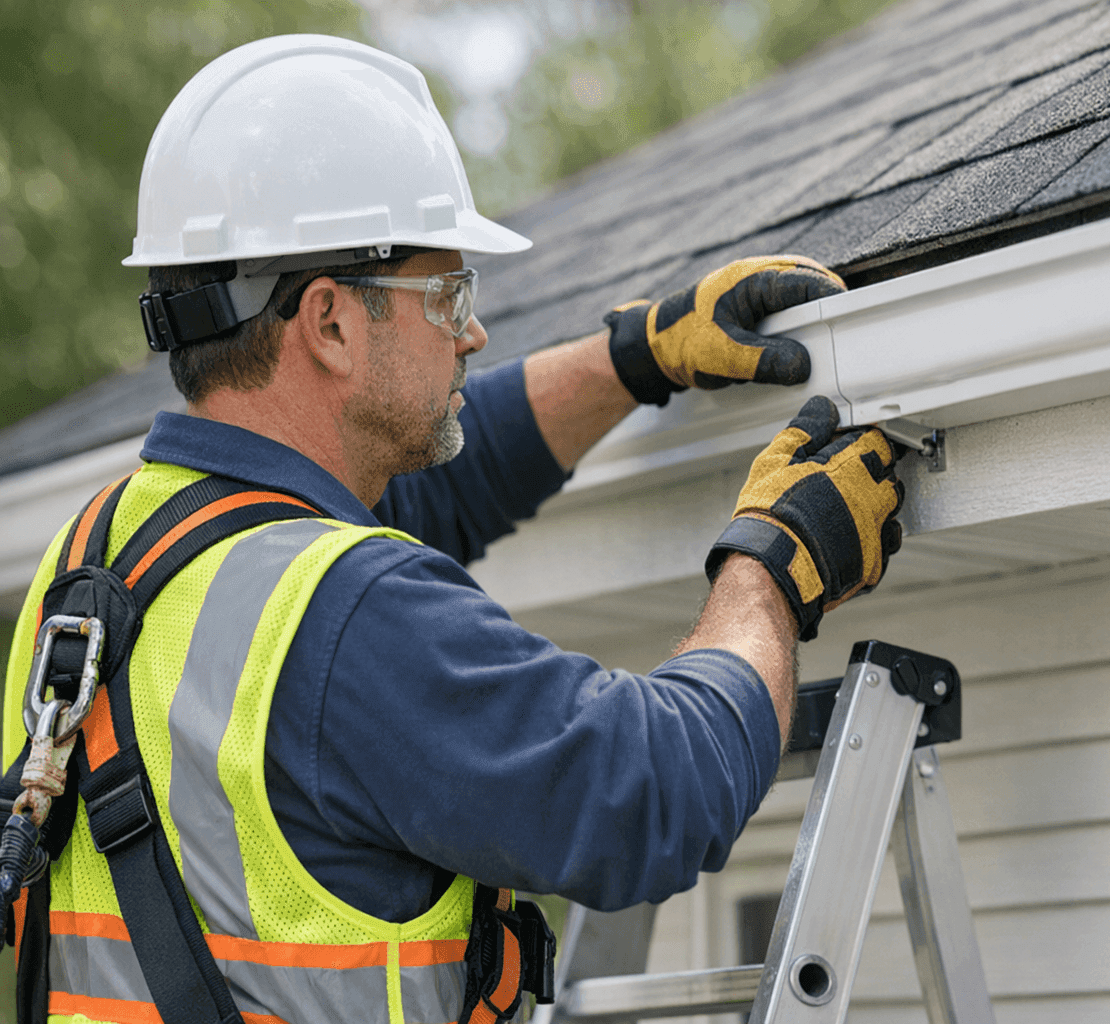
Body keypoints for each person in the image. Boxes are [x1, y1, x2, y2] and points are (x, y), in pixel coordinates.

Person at [1, 34, 903, 1024]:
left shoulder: (94, 562)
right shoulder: (351, 613)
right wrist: (771, 570)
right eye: (448, 295)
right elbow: (645, 793)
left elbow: (412, 502)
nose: (471, 332)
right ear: (331, 323)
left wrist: (633, 358)